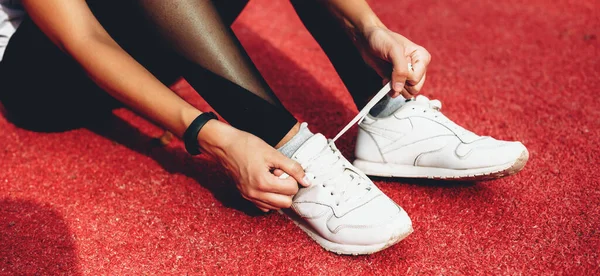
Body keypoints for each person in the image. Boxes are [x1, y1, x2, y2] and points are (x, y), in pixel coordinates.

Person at [0, 0, 528, 255]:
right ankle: (291, 152)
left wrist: (371, 25)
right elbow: (85, 39)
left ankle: (381, 110)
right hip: (42, 76)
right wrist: (216, 137)